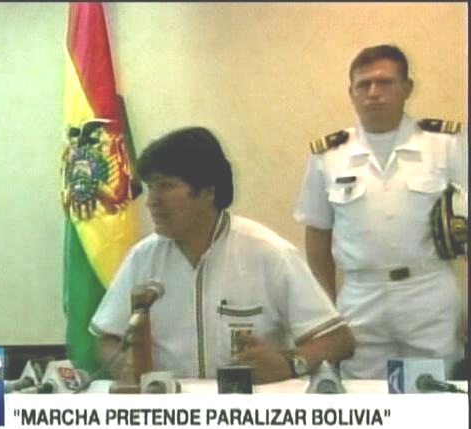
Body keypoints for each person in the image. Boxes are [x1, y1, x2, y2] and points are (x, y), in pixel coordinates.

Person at [89, 126, 355, 384]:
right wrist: (125, 365)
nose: (151, 201)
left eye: (165, 186)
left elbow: (338, 340)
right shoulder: (144, 257)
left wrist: (289, 364)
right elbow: (107, 337)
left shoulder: (268, 252)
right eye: (150, 188)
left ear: (208, 191)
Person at [294, 44, 467, 380]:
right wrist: (326, 311)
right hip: (360, 297)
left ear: (407, 88)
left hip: (427, 292)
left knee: (432, 391)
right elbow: (317, 236)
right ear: (352, 93)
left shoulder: (447, 145)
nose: (373, 92)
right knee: (364, 394)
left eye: (385, 82)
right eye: (364, 84)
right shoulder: (329, 155)